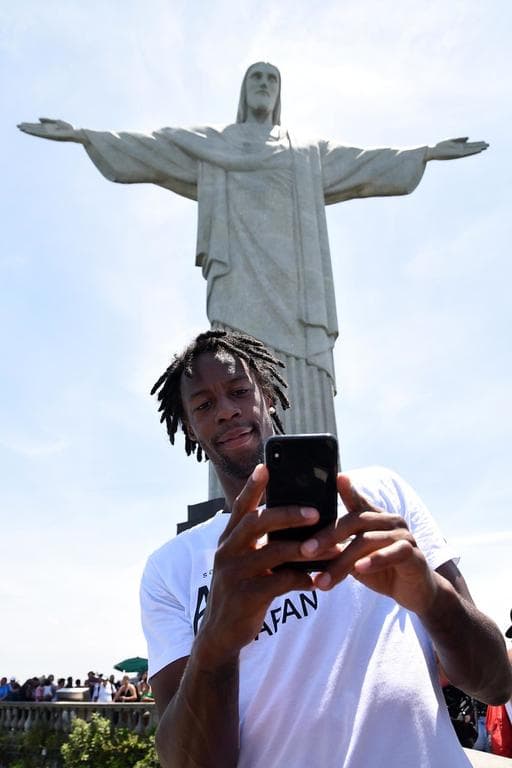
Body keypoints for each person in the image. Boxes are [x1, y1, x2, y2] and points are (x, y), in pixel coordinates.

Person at [17, 63, 489, 444]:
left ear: (278, 93)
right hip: (240, 275)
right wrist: (84, 136)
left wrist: (425, 153)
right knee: (237, 362)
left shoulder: (304, 152)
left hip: (296, 284)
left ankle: (307, 457)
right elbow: (154, 150)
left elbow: (364, 164)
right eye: (256, 78)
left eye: (272, 79)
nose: (264, 85)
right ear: (244, 91)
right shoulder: (215, 146)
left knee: (301, 367)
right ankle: (245, 466)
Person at [140, 329, 512, 768]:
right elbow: (186, 763)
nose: (226, 411)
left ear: (268, 396)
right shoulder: (170, 568)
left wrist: (431, 597)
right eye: (203, 404)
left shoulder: (380, 497)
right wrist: (217, 644)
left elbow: (496, 684)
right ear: (188, 425)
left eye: (239, 391)